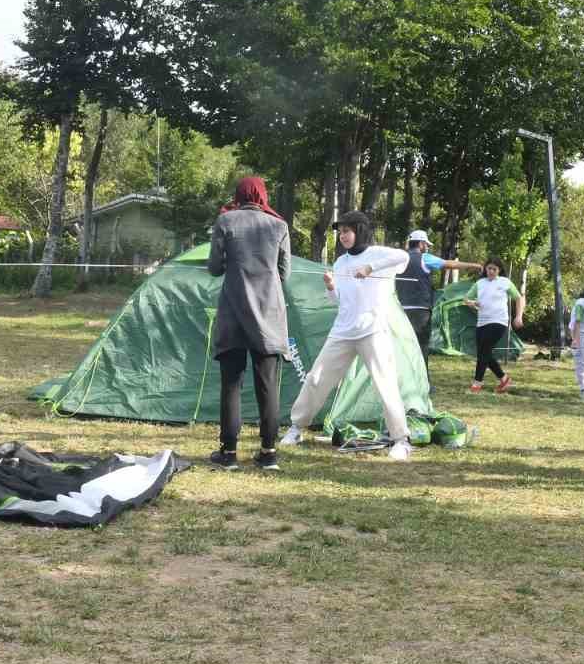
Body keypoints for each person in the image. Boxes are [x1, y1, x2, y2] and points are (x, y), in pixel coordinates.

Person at [280, 211, 414, 461]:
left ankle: (401, 440)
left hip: (373, 330)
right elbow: (339, 302)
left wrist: (370, 267)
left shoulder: (379, 254)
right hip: (342, 331)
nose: (342, 236)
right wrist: (331, 287)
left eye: (346, 231)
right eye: (340, 232)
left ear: (360, 231)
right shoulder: (340, 263)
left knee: (385, 384)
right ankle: (297, 428)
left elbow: (404, 255)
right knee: (317, 378)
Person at [206, 176, 292, 471]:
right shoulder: (279, 226)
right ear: (262, 195)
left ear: (239, 195)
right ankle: (268, 453)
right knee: (267, 385)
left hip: (233, 311)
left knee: (231, 384)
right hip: (268, 312)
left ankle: (228, 453)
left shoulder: (226, 221)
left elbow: (215, 268)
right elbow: (284, 273)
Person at [395, 229, 482, 392]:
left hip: (401, 310)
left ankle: (402, 383)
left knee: (403, 347)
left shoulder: (400, 259)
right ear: (420, 244)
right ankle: (423, 385)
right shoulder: (425, 258)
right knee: (421, 347)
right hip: (420, 310)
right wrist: (474, 266)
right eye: (426, 245)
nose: (427, 247)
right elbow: (450, 264)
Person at [462, 258, 525, 393]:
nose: (491, 271)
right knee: (483, 352)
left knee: (484, 351)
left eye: (494, 269)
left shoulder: (505, 282)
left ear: (499, 270)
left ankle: (477, 384)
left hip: (499, 321)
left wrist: (519, 316)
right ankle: (504, 379)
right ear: (485, 269)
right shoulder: (480, 283)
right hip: (482, 322)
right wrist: (472, 303)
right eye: (489, 268)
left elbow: (519, 298)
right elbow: (466, 299)